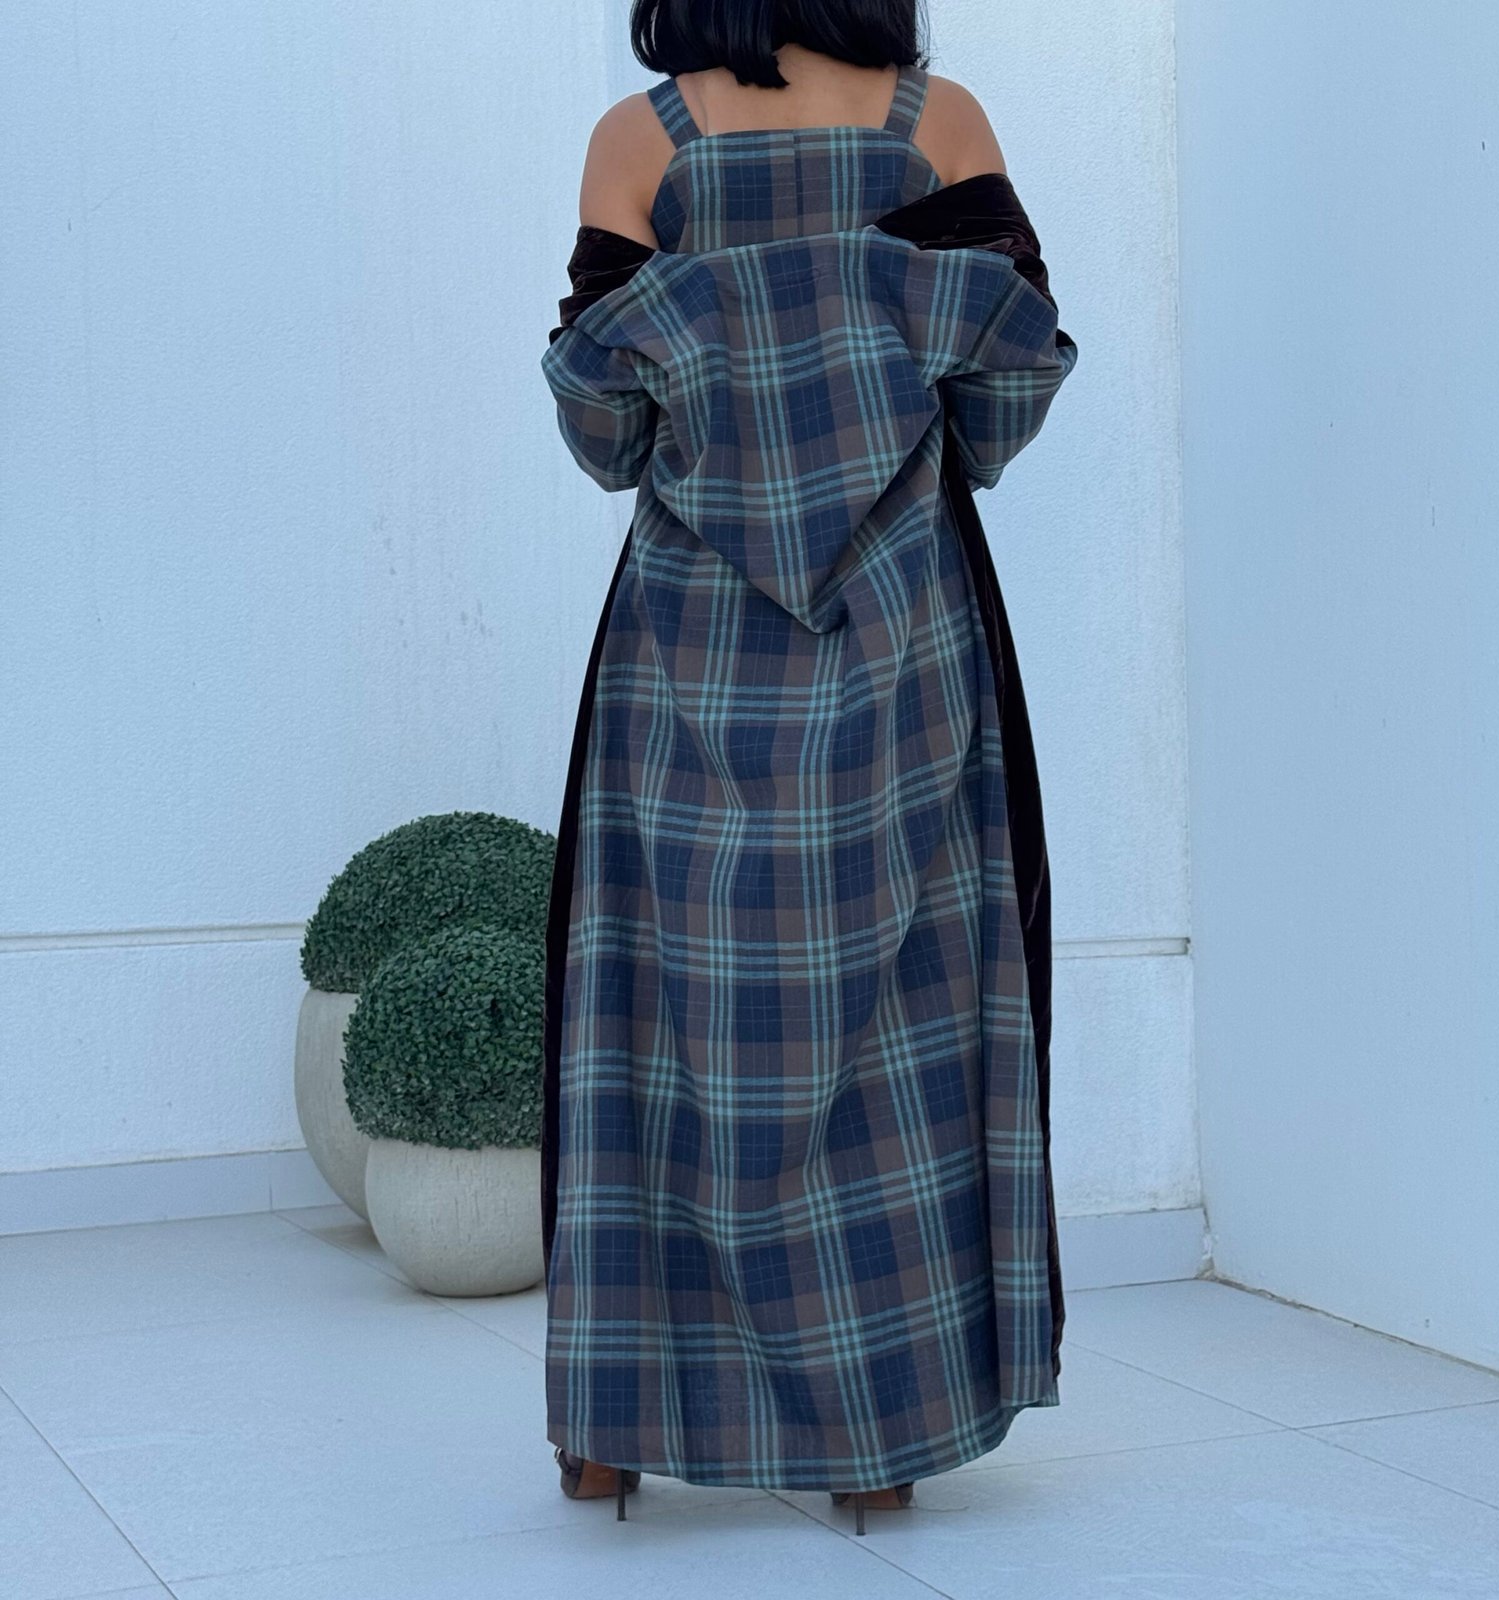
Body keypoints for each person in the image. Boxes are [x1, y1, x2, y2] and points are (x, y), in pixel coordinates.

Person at [539, 0, 1077, 1535]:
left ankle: (613, 1430)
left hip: (686, 643)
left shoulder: (641, 143)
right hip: (907, 628)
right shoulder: (939, 126)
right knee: (899, 1006)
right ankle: (874, 1432)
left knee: (660, 1013)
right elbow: (1007, 396)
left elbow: (603, 432)